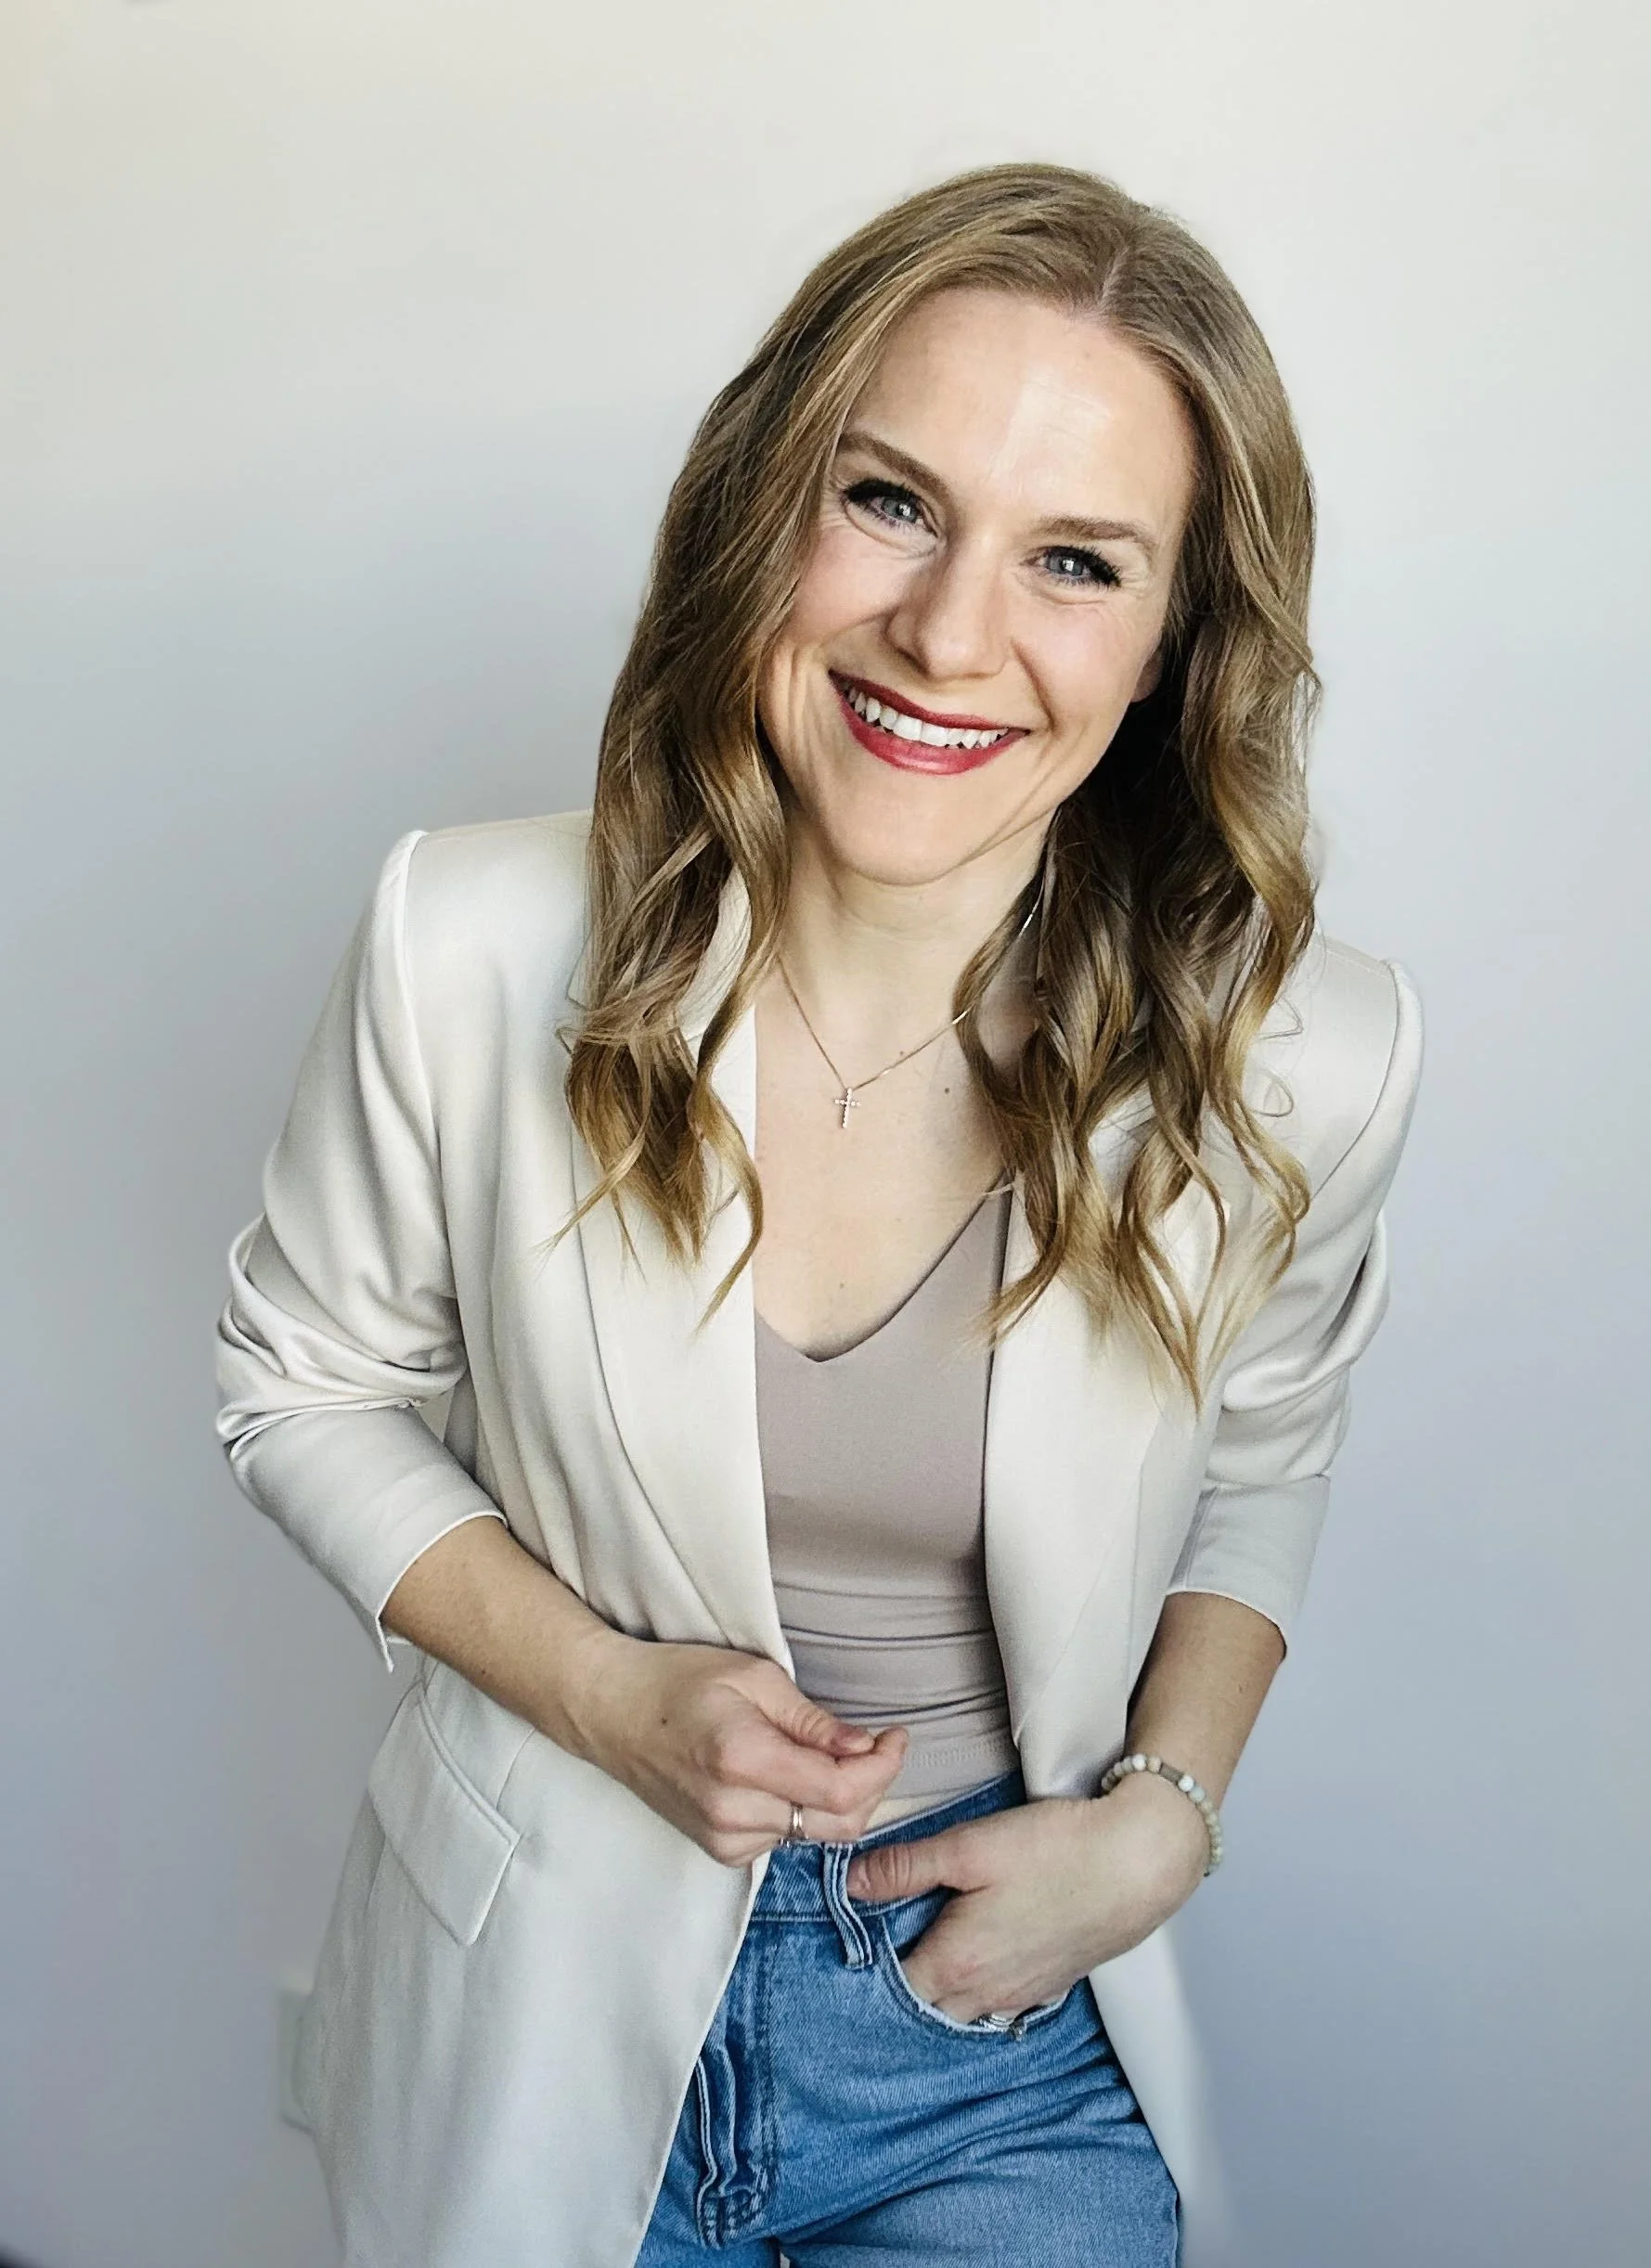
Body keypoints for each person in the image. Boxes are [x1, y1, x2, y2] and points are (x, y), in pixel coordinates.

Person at [215, 161, 1423, 2268]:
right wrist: (606, 1693)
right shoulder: (464, 940)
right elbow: (300, 1389)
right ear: (762, 500)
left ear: (1171, 645)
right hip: (541, 1994)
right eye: (888, 501)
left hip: (1002, 2022)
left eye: (1074, 561)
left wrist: (1161, 1824)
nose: (949, 634)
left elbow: (1263, 1460)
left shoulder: (1307, 1057)